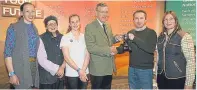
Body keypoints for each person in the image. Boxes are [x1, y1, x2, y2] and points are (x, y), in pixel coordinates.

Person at [84, 3, 122, 89]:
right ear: (96, 13)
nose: (105, 14)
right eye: (102, 12)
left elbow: (109, 41)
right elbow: (91, 47)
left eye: (106, 12)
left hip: (109, 66)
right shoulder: (90, 27)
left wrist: (116, 38)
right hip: (98, 69)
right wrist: (109, 50)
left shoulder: (108, 25)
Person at [117, 10, 157, 89]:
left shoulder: (151, 32)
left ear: (145, 20)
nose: (139, 21)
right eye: (136, 18)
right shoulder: (130, 32)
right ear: (133, 20)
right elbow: (125, 47)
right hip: (132, 69)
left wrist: (134, 38)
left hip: (145, 70)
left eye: (141, 18)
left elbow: (150, 48)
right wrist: (113, 50)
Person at [4, 2, 39, 89]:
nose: (31, 14)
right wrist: (11, 74)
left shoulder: (35, 28)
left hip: (33, 65)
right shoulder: (13, 28)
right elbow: (7, 53)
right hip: (19, 67)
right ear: (21, 13)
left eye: (33, 11)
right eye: (27, 11)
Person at [157, 11, 195, 89]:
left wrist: (189, 84)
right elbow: (158, 58)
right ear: (163, 22)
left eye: (171, 19)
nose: (168, 21)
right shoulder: (160, 37)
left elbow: (191, 61)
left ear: (176, 21)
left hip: (178, 79)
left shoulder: (184, 36)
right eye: (165, 19)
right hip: (161, 78)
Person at [60, 14, 90, 89]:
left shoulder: (85, 37)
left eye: (77, 21)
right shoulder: (65, 37)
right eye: (72, 22)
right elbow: (66, 57)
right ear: (69, 24)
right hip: (71, 74)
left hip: (84, 72)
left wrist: (83, 70)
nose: (75, 24)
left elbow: (87, 55)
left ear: (80, 23)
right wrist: (78, 70)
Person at [37, 15, 65, 89]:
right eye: (50, 24)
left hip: (61, 76)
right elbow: (41, 60)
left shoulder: (63, 37)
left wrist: (62, 68)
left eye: (54, 23)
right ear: (46, 26)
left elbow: (66, 55)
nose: (53, 26)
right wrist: (57, 69)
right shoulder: (41, 38)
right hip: (46, 77)